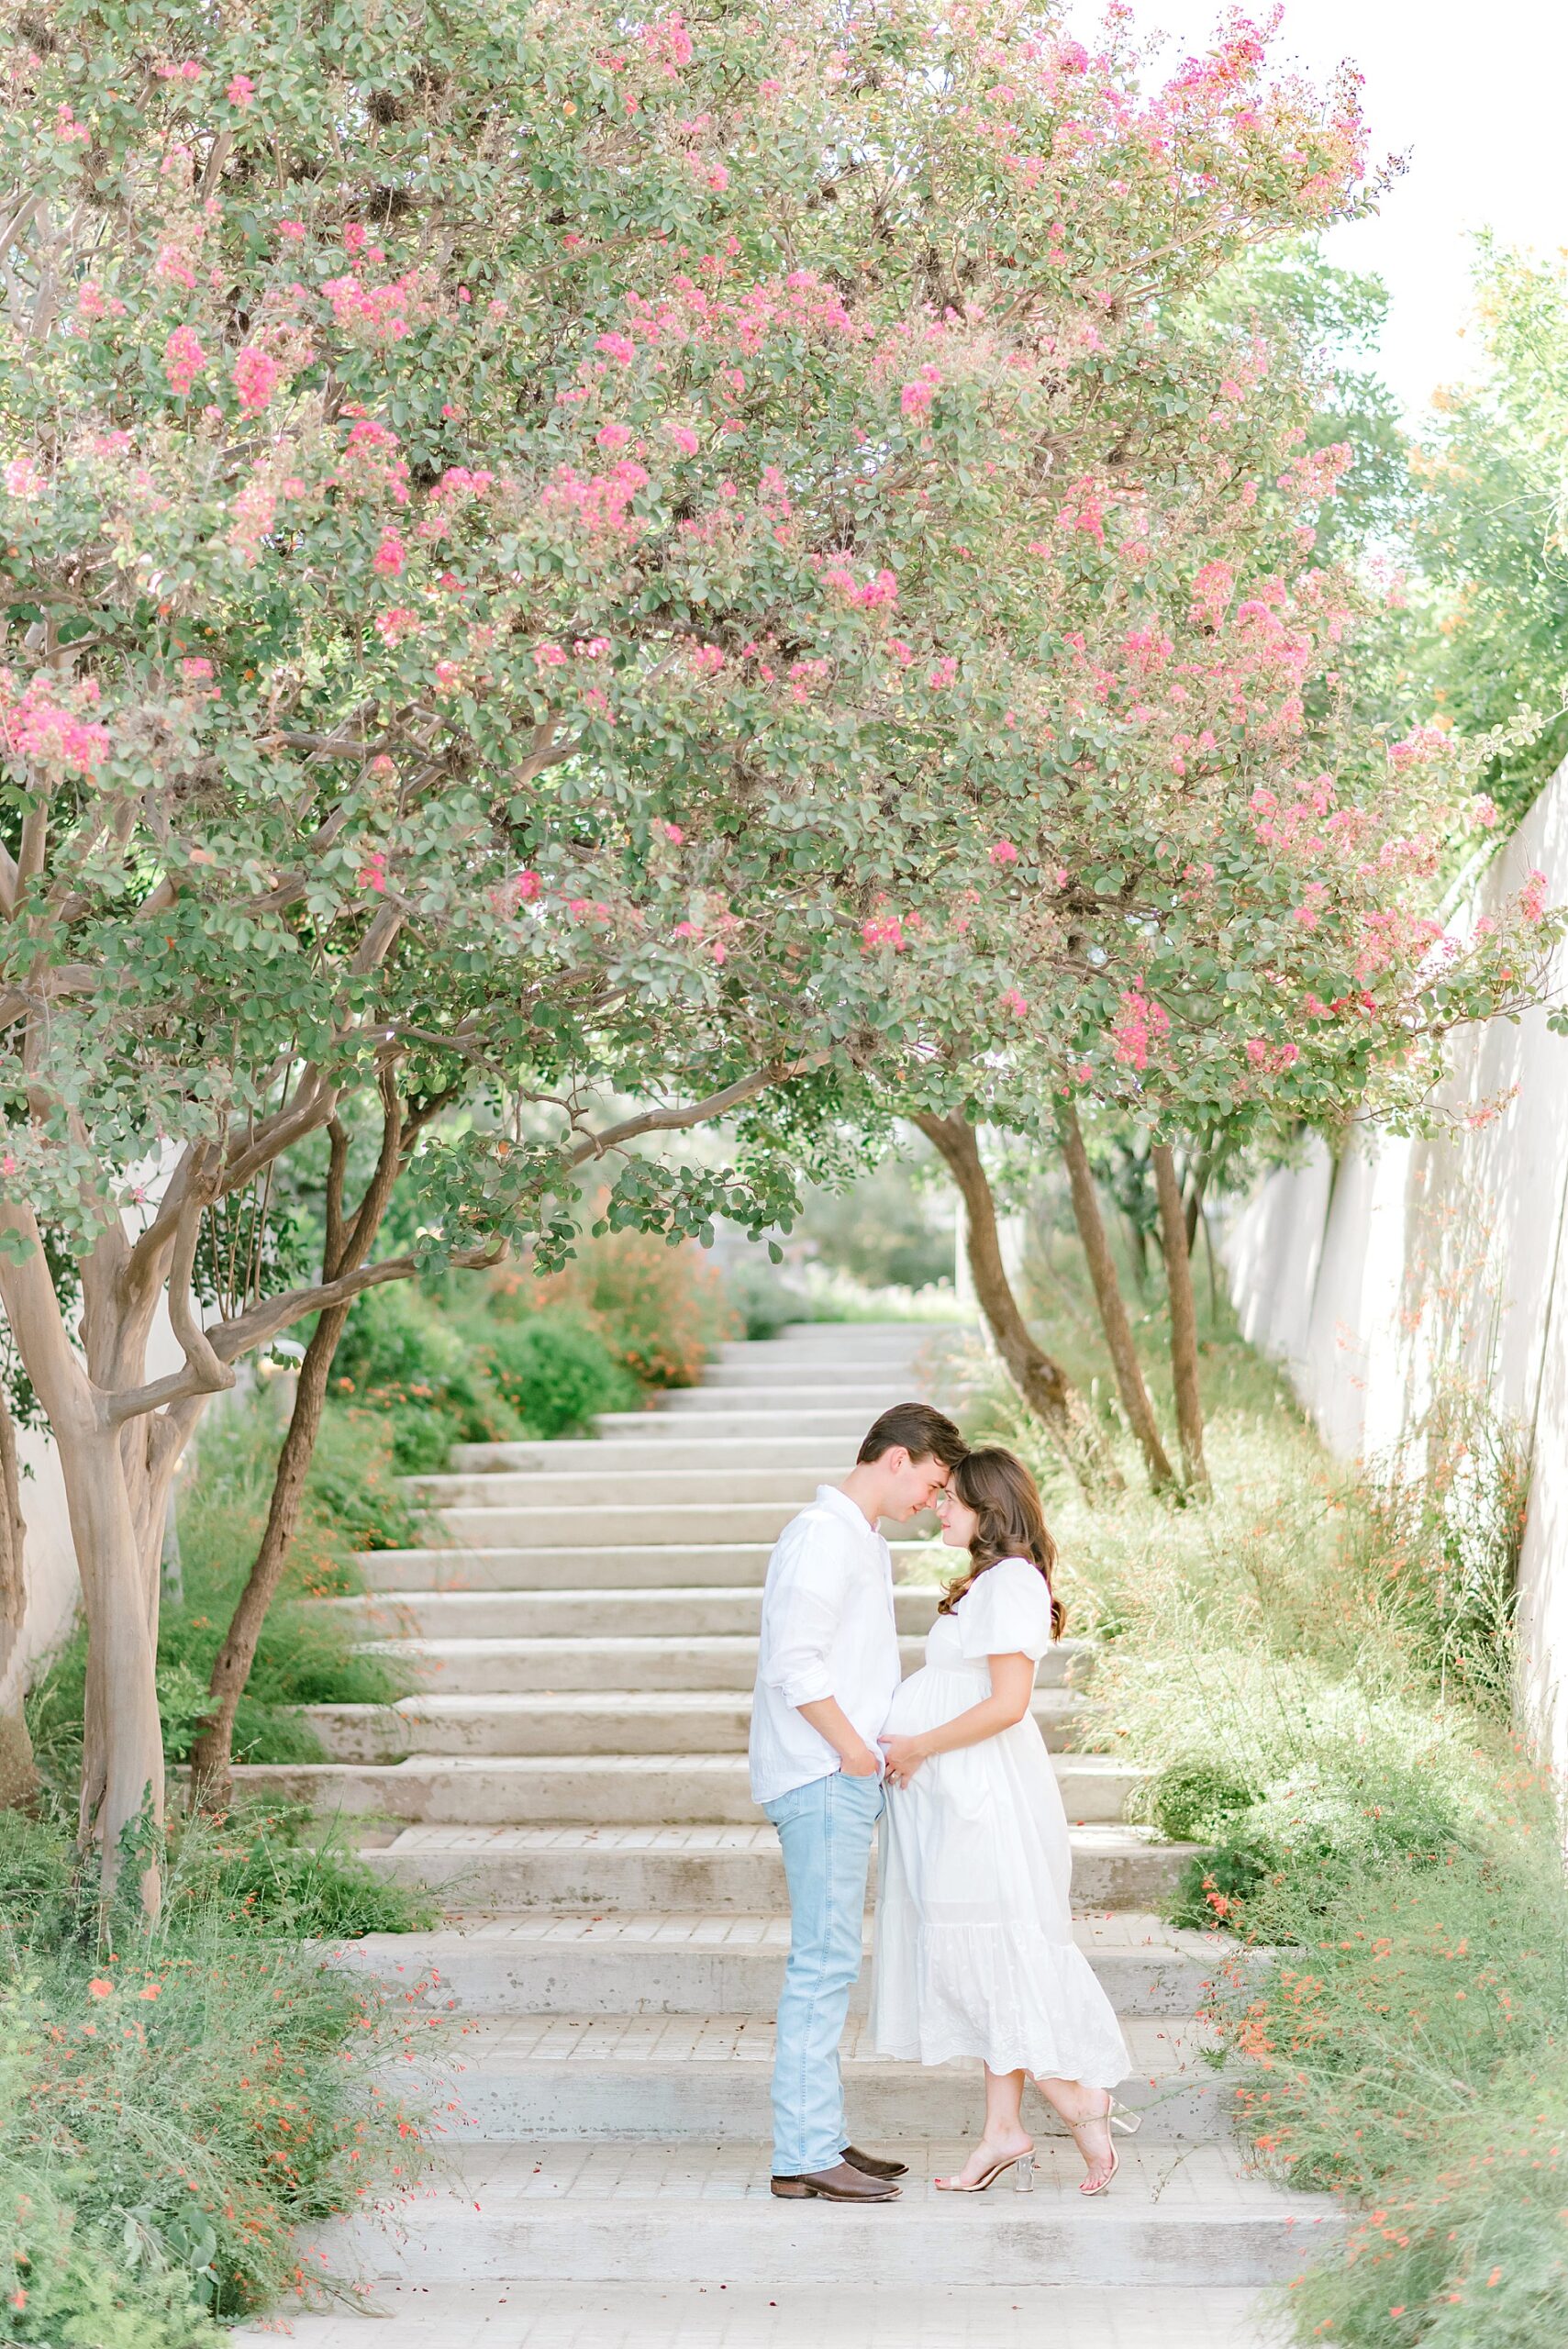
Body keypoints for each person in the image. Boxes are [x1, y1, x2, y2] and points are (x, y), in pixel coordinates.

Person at [870, 1446, 1138, 2195]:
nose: (937, 1507)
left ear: (990, 1509)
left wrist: (918, 1743)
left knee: (988, 1957)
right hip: (954, 1795)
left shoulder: (1013, 1581)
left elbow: (1006, 1703)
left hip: (980, 1799)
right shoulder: (989, 1582)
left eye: (950, 1498)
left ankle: (1074, 2099)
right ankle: (1002, 2129)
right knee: (980, 1958)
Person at [750, 1400, 968, 2204]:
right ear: (897, 1458)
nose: (933, 1504)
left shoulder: (860, 1541)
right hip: (821, 1774)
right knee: (823, 1963)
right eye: (934, 1484)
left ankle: (817, 2136)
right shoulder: (822, 1536)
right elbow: (794, 1661)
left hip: (839, 1773)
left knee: (831, 1960)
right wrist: (850, 1750)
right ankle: (805, 2152)